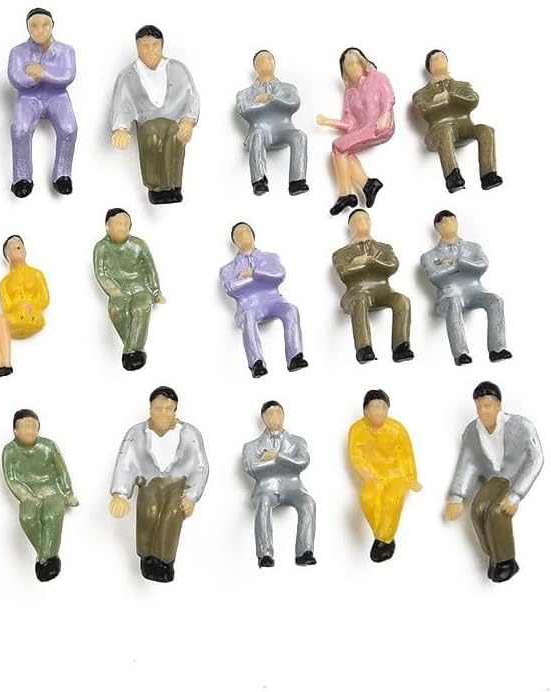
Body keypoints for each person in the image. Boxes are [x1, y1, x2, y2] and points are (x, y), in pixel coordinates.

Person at [444, 382, 544, 583]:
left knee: (497, 513)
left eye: (488, 406)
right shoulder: (472, 431)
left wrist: (516, 496)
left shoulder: (521, 426)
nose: (483, 411)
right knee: (478, 510)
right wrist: (457, 497)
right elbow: (467, 462)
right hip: (494, 478)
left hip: (515, 476)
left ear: (498, 405)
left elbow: (536, 458)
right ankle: (493, 555)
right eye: (479, 406)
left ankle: (506, 561)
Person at [109, 386, 209, 582]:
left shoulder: (190, 434)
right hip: (149, 483)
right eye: (158, 409)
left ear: (175, 410)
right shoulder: (136, 433)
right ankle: (147, 557)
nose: (163, 413)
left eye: (168, 409)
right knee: (149, 512)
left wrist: (191, 497)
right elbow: (125, 462)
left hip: (177, 484)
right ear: (150, 409)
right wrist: (119, 494)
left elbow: (200, 467)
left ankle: (165, 562)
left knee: (172, 514)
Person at [111, 25, 199, 205]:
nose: (150, 50)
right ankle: (156, 187)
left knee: (175, 135)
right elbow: (122, 103)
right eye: (145, 46)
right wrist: (121, 128)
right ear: (137, 47)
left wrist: (188, 120)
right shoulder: (127, 75)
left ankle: (174, 185)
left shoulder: (177, 69)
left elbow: (191, 96)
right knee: (152, 135)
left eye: (154, 45)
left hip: (173, 119)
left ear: (162, 46)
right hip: (147, 121)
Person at [420, 210, 510, 365]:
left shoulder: (474, 247)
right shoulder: (428, 256)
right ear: (437, 227)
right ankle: (460, 353)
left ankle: (497, 349)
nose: (449, 224)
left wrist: (453, 264)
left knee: (495, 300)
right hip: (449, 293)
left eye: (452, 220)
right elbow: (435, 276)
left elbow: (482, 265)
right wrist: (461, 266)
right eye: (444, 222)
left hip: (475, 291)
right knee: (453, 302)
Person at [219, 222, 307, 378]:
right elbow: (231, 287)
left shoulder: (270, 257)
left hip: (273, 300)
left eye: (246, 231)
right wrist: (261, 278)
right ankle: (256, 363)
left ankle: (295, 356)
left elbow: (278, 274)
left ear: (253, 235)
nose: (244, 235)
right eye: (239, 234)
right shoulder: (228, 269)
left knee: (291, 310)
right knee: (248, 316)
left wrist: (254, 273)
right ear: (235, 242)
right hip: (248, 306)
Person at [8, 8, 77, 197]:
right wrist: (34, 79)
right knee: (20, 130)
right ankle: (22, 177)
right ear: (28, 28)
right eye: (34, 26)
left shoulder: (66, 51)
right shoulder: (17, 52)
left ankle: (62, 174)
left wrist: (42, 73)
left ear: (52, 25)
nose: (40, 30)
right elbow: (16, 78)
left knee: (69, 129)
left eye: (45, 25)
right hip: (28, 98)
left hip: (57, 97)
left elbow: (67, 76)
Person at [2, 409, 78, 581]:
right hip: (28, 492)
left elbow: (61, 470)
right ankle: (50, 556)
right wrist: (28, 496)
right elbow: (11, 478)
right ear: (15, 430)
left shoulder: (48, 446)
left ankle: (44, 558)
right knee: (27, 517)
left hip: (52, 489)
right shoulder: (9, 451)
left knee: (51, 515)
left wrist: (67, 492)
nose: (30, 431)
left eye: (33, 427)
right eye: (25, 427)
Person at [317, 47, 394, 215]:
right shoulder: (349, 94)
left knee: (337, 145)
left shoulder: (377, 77)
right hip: (363, 130)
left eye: (356, 63)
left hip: (380, 125)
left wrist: (385, 115)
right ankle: (367, 185)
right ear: (344, 72)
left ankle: (346, 194)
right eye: (349, 66)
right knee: (345, 153)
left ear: (363, 63)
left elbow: (389, 97)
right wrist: (329, 122)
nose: (353, 68)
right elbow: (349, 123)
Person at [412, 50, 502, 193]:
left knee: (486, 130)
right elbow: (426, 110)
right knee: (446, 130)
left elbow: (473, 100)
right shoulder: (421, 94)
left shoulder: (462, 86)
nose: (439, 62)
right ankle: (452, 176)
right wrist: (443, 101)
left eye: (441, 58)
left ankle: (488, 174)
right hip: (438, 132)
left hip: (464, 128)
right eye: (435, 60)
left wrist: (452, 97)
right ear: (429, 67)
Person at [348, 390, 420, 563]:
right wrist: (365, 474)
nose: (379, 411)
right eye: (375, 407)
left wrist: (411, 478)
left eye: (383, 407)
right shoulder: (357, 429)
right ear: (365, 410)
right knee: (367, 498)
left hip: (397, 476)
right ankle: (385, 538)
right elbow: (356, 455)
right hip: (373, 476)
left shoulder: (397, 429)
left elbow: (406, 456)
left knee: (392, 500)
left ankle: (382, 539)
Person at [332, 209, 413, 364]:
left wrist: (369, 261)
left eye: (365, 219)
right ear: (351, 226)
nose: (363, 223)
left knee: (402, 300)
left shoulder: (384, 247)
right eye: (357, 220)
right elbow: (343, 273)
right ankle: (364, 348)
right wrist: (357, 263)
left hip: (383, 291)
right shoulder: (340, 253)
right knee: (360, 300)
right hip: (356, 291)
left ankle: (400, 346)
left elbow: (393, 265)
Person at [242, 401, 316, 568]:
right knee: (263, 501)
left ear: (283, 415)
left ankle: (305, 551)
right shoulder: (251, 446)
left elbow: (302, 462)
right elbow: (252, 467)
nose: (274, 417)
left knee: (308, 503)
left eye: (278, 413)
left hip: (293, 487)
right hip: (266, 487)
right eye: (269, 414)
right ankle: (265, 554)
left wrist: (276, 457)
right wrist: (286, 463)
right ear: (263, 418)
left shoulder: (298, 442)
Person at [93, 208, 165, 371]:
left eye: (126, 224)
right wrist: (114, 291)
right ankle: (134, 349)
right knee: (117, 310)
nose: (123, 227)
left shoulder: (138, 245)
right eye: (118, 224)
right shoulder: (101, 247)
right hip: (118, 289)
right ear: (107, 226)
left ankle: (130, 352)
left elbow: (149, 269)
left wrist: (156, 291)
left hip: (140, 287)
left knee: (140, 308)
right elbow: (101, 273)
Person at [235, 50, 308, 196]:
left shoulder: (288, 88)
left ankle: (297, 181)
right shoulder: (244, 94)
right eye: (260, 60)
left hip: (284, 129)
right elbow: (244, 110)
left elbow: (293, 103)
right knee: (258, 134)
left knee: (300, 136)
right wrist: (260, 101)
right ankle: (259, 181)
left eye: (268, 59)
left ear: (273, 63)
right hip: (260, 129)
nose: (265, 62)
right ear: (255, 67)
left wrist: (271, 99)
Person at [0, 235, 49, 379]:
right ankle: (0, 364)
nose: (16, 248)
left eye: (19, 246)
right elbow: (6, 306)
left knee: (0, 320)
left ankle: (6, 364)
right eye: (12, 247)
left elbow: (45, 298)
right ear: (7, 256)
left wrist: (32, 304)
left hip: (33, 316)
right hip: (16, 316)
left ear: (25, 250)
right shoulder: (4, 282)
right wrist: (18, 305)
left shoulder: (36, 274)